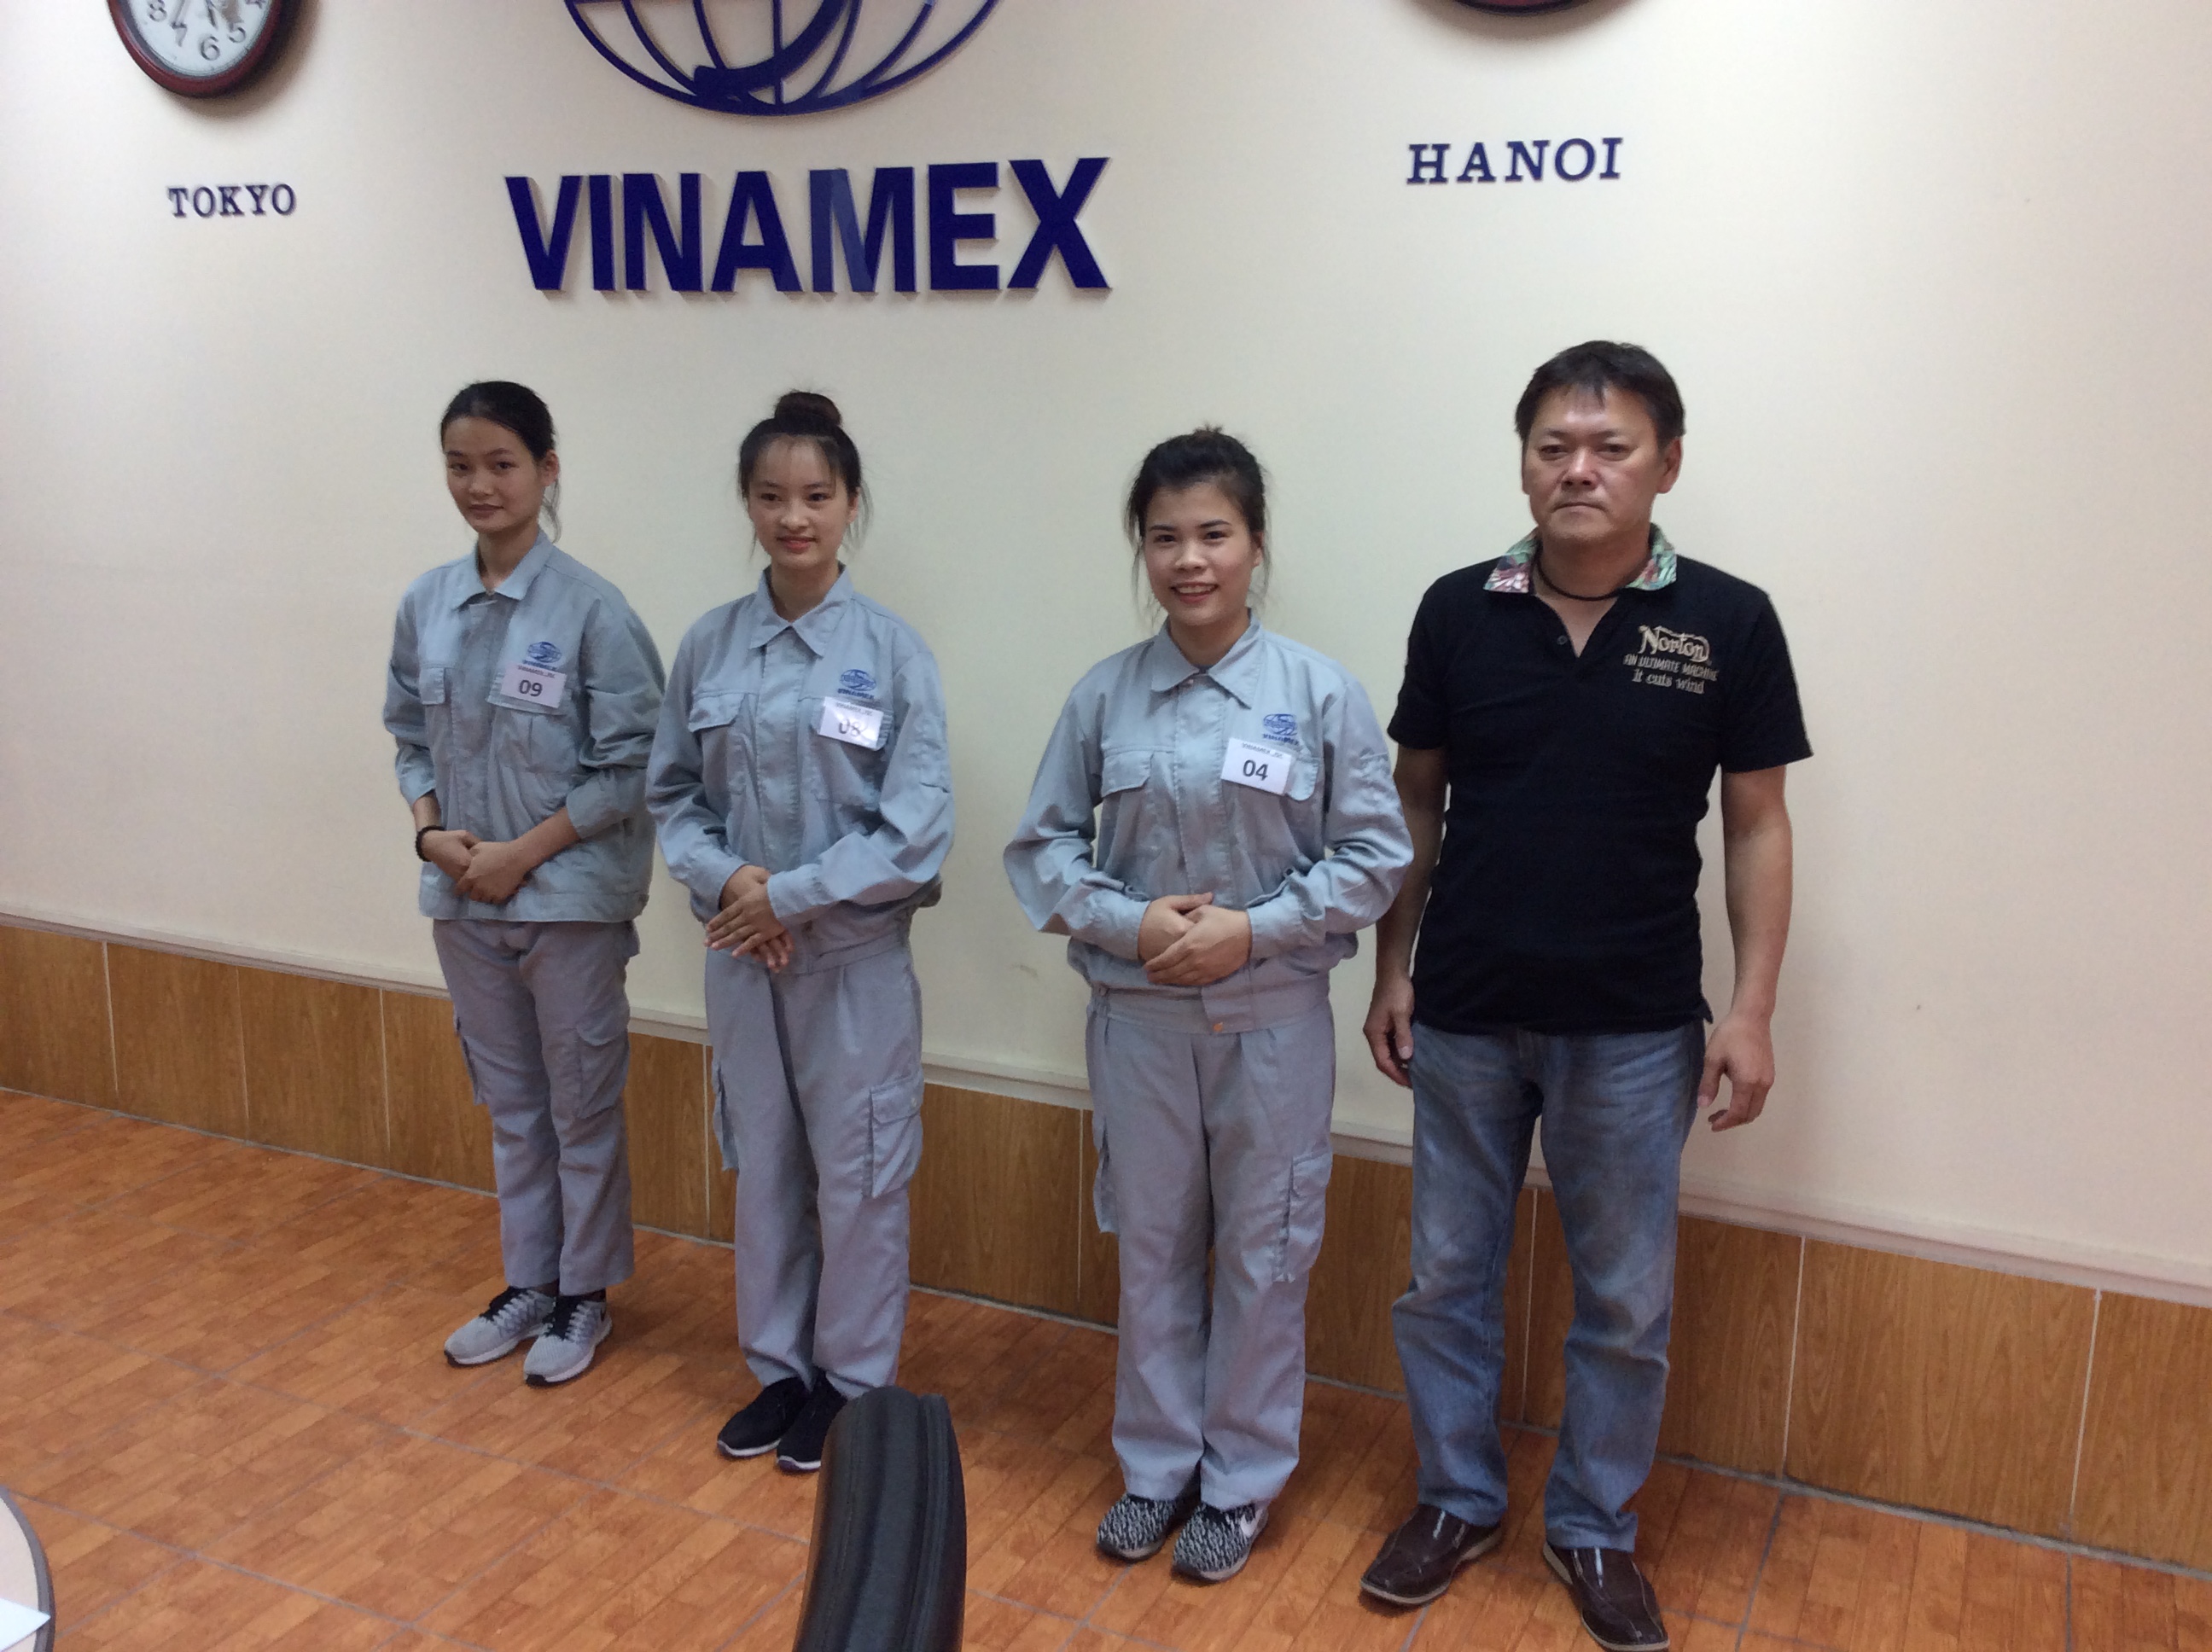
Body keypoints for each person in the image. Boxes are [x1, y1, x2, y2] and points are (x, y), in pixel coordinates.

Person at [1357, 342, 1810, 1650]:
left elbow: (1758, 824)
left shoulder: (1728, 621)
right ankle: (1456, 1500)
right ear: (1523, 465)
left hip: (1636, 1023)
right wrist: (1392, 967)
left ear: (1668, 465)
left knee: (1624, 1298)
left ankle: (1593, 1525)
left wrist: (1752, 1009)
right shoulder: (1460, 609)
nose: (1579, 469)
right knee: (1445, 1279)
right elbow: (1415, 803)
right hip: (1464, 1012)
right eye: (1554, 446)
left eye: (1612, 447)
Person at [1004, 429, 1412, 1584]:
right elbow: (1039, 852)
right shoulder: (1104, 697)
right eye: (1166, 537)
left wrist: (1255, 928)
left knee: (1265, 1257)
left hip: (1273, 1024)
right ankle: (1155, 1470)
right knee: (1152, 1251)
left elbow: (1376, 858)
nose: (1190, 560)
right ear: (1143, 551)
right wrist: (1131, 922)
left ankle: (1238, 1483)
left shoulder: (1317, 694)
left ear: (1256, 545)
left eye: (1214, 534)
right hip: (1138, 1026)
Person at [647, 391, 953, 1474]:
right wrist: (737, 883)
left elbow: (917, 828)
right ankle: (780, 1369)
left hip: (852, 965)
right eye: (772, 496)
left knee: (861, 1173)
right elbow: (672, 795)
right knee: (764, 1162)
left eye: (817, 495)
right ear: (747, 503)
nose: (794, 516)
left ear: (850, 503)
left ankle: (852, 1382)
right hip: (743, 958)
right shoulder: (710, 645)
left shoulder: (892, 653)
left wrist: (792, 895)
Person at [385, 381, 666, 1387]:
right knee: (510, 1105)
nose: (480, 485)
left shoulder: (593, 610)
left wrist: (522, 853)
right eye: (460, 466)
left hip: (568, 903)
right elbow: (409, 737)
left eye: (501, 464)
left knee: (579, 1102)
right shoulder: (427, 604)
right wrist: (431, 838)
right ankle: (530, 1281)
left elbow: (634, 766)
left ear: (546, 471)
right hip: (462, 900)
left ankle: (585, 1293)